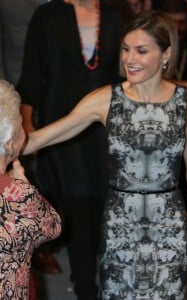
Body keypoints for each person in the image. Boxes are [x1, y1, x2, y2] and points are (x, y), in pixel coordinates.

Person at [22, 10, 187, 299]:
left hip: (170, 228)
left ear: (166, 54)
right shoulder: (106, 99)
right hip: (121, 227)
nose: (130, 59)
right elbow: (38, 140)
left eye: (142, 51)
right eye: (126, 49)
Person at [17, 0, 123, 299]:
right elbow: (32, 74)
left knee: (107, 205)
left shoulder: (116, 13)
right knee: (78, 205)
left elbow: (130, 71)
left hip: (108, 124)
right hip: (63, 124)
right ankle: (85, 288)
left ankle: (113, 282)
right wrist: (28, 125)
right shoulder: (48, 15)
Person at [0, 0, 63, 277]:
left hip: (57, 100)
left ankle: (35, 245)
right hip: (14, 94)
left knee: (53, 173)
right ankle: (34, 249)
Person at [0, 79, 61, 299]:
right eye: (20, 127)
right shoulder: (19, 195)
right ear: (9, 144)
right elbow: (53, 227)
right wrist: (23, 185)